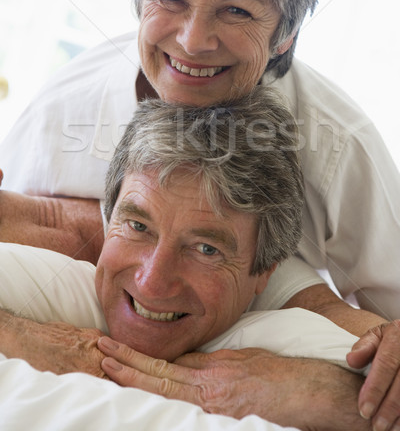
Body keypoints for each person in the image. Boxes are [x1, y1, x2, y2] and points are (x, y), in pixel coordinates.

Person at [0, 0, 399, 428]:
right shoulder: (67, 108)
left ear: (286, 32)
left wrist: (327, 388)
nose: (191, 40)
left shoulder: (338, 147)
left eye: (237, 10)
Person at [0, 89, 371, 430]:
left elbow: (366, 339)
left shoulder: (290, 305)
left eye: (206, 249)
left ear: (265, 272)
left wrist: (330, 396)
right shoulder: (44, 225)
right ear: (109, 214)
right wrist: (22, 336)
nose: (151, 283)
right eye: (137, 225)